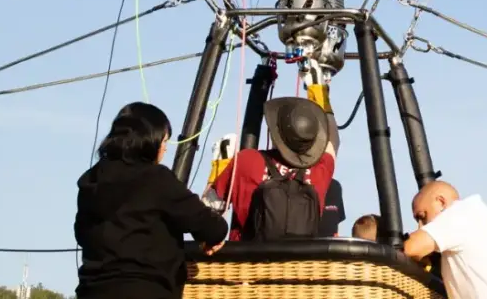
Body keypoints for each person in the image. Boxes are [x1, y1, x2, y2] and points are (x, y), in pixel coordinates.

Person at [74, 102, 230, 299]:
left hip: (91, 291)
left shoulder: (90, 182)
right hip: (146, 289)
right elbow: (211, 227)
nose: (164, 149)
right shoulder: (156, 179)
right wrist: (210, 237)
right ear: (150, 141)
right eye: (164, 142)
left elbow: (81, 234)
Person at [209, 97, 338, 241]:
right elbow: (333, 142)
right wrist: (319, 92)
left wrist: (220, 165)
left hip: (248, 254)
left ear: (274, 133)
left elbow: (211, 207)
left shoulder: (246, 160)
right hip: (300, 255)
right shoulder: (321, 167)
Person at [401, 181, 487, 299]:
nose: (420, 226)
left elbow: (410, 248)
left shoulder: (458, 213)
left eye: (422, 216)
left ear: (441, 202)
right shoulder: (481, 214)